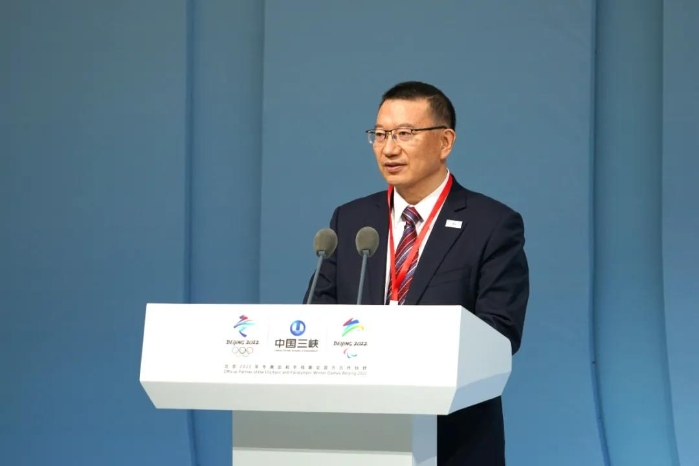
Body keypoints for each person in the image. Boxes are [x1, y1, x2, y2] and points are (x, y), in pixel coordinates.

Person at [304, 81, 529, 465]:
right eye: (380, 135)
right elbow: (318, 315)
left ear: (445, 142)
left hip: (453, 438)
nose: (389, 148)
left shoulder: (491, 224)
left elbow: (500, 333)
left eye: (405, 134)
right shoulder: (351, 220)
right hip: (357, 433)